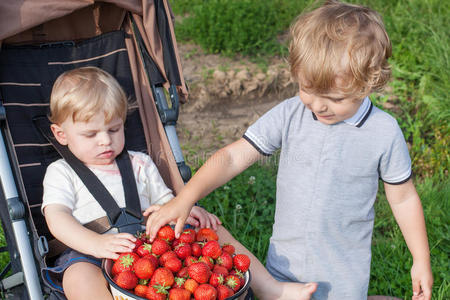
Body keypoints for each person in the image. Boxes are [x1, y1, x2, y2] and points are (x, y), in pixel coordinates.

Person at [144, 1, 433, 299]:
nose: (319, 105)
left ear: (368, 83)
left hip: (343, 276)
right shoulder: (291, 113)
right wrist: (185, 198)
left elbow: (403, 198)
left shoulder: (383, 132)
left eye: (333, 97)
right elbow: (232, 157)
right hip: (284, 266)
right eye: (307, 89)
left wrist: (421, 260)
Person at [41, 66, 221, 299]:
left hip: (149, 247)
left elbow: (167, 204)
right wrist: (95, 243)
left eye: (114, 129)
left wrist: (186, 208)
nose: (106, 140)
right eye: (91, 134)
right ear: (61, 134)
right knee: (78, 277)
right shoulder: (61, 172)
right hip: (91, 252)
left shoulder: (140, 163)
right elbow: (57, 217)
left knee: (202, 243)